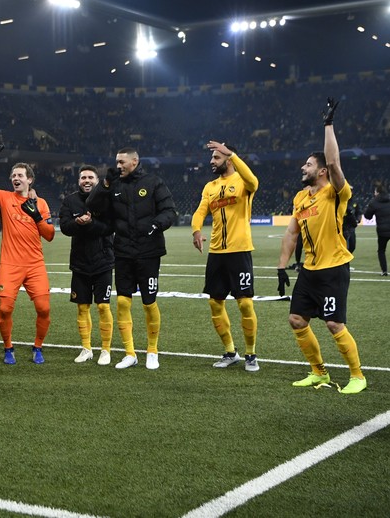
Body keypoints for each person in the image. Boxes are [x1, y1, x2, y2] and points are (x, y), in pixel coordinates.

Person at [276, 98, 366, 394]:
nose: (304, 167)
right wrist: (281, 266)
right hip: (309, 270)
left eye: (309, 164)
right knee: (296, 319)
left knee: (333, 324)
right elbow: (291, 234)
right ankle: (319, 373)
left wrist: (328, 124)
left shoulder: (335, 193)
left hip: (333, 268)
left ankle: (357, 376)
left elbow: (335, 162)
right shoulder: (301, 198)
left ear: (323, 171)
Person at [87, 147, 177, 370]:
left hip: (149, 252)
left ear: (134, 161)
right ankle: (130, 353)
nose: (118, 166)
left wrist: (156, 224)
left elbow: (169, 211)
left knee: (149, 302)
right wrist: (104, 185)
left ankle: (152, 351)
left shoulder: (153, 182)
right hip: (123, 251)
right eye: (116, 162)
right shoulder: (114, 185)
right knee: (123, 301)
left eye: (122, 162)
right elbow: (93, 206)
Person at [0, 138, 55, 365]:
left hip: (35, 264)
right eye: (13, 175)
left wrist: (36, 215)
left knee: (44, 308)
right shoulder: (4, 198)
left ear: (30, 179)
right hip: (10, 264)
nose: (15, 178)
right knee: (6, 309)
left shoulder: (41, 203)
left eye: (20, 175)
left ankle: (37, 347)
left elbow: (49, 235)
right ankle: (8, 348)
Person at [191, 141, 260, 372]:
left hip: (239, 251)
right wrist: (196, 230)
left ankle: (251, 354)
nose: (212, 161)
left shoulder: (242, 182)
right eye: (212, 158)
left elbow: (254, 181)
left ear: (228, 159)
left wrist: (232, 152)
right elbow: (201, 210)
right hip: (217, 253)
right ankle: (231, 352)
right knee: (214, 301)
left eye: (216, 158)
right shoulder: (210, 186)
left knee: (245, 303)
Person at [59, 165, 115, 365]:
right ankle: (86, 348)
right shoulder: (70, 201)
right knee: (82, 307)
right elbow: (65, 227)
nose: (87, 180)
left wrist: (90, 224)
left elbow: (109, 228)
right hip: (80, 264)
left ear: (97, 180)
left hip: (103, 262)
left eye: (91, 177)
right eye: (83, 177)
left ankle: (106, 350)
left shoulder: (107, 200)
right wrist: (78, 223)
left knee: (102, 306)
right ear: (78, 181)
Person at [363, 182, 390, 276]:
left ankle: (384, 271)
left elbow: (367, 216)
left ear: (377, 192)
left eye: (375, 191)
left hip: (382, 231)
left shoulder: (374, 202)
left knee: (381, 250)